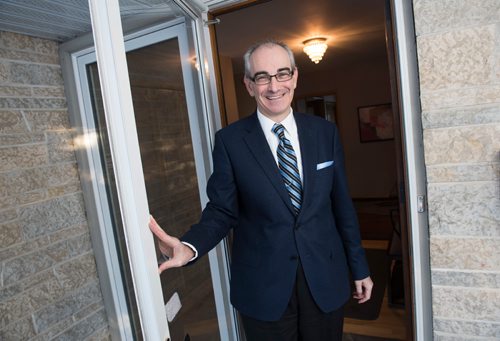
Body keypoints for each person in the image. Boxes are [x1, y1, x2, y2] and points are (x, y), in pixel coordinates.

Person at [149, 39, 373, 340]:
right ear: (249, 85)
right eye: (262, 77)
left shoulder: (324, 133)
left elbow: (341, 206)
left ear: (294, 76)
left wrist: (359, 267)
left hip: (324, 278)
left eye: (282, 74)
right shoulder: (230, 141)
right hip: (263, 288)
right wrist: (189, 247)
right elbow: (221, 210)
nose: (273, 86)